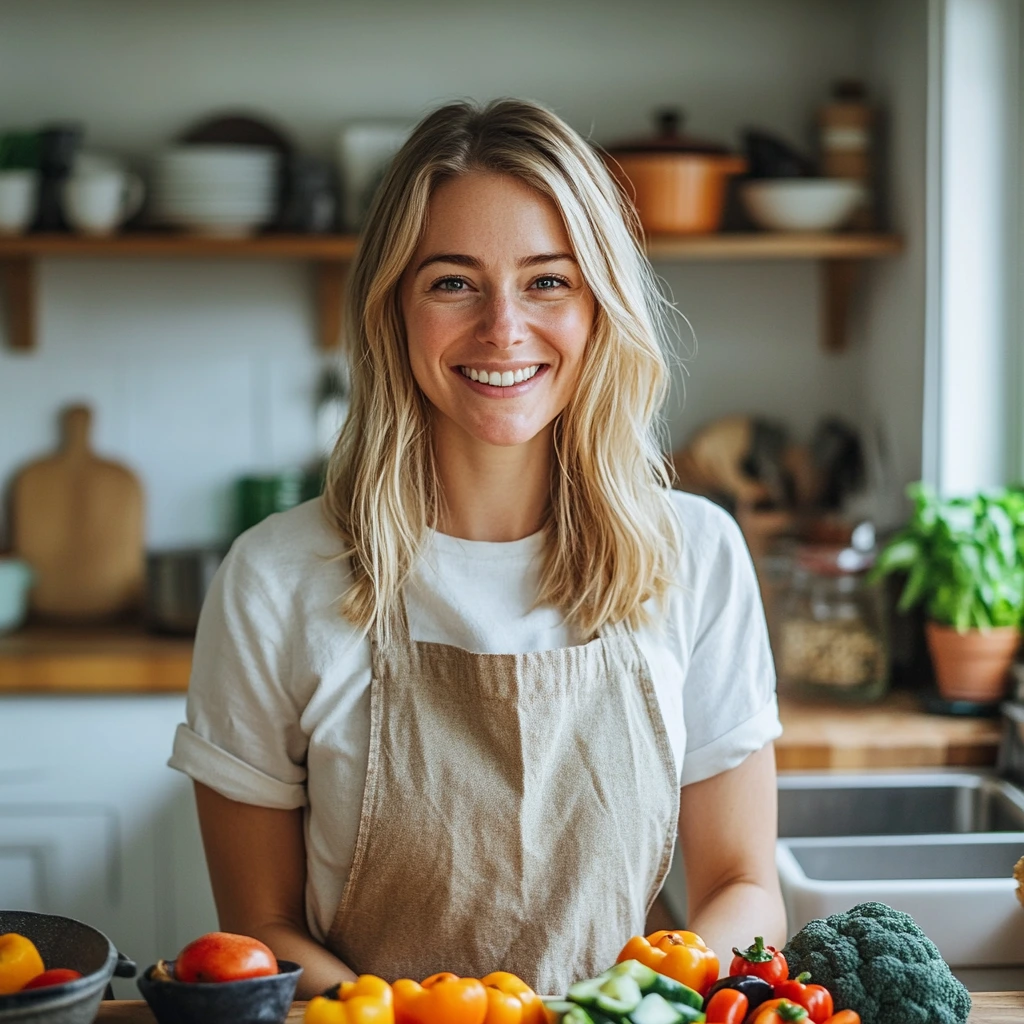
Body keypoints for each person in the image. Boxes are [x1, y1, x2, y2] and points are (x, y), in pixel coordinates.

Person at [169, 98, 785, 999]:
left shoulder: (695, 555)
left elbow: (743, 888)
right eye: (453, 281)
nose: (504, 326)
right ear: (394, 309)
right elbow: (260, 930)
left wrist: (637, 1006)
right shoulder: (274, 580)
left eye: (548, 281)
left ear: (600, 307)